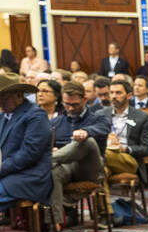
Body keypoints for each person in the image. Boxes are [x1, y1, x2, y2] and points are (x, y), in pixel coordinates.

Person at [51, 81, 108, 223]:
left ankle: (48, 159)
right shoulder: (56, 122)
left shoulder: (97, 117)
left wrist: (86, 131)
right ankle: (56, 224)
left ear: (84, 100)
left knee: (86, 141)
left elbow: (103, 129)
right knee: (53, 171)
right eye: (66, 104)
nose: (70, 108)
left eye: (75, 104)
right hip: (65, 166)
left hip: (89, 168)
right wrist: (51, 148)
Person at [0, 71, 53, 214]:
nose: (0, 102)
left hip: (30, 176)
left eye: (4, 98)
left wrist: (1, 169)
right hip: (9, 172)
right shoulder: (3, 116)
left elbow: (29, 154)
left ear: (18, 95)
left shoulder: (35, 115)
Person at [100, 79, 148, 183]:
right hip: (107, 160)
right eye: (111, 93)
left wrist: (126, 149)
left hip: (128, 159)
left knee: (102, 154)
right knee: (102, 172)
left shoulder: (141, 117)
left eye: (118, 93)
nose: (114, 96)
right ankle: (104, 200)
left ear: (129, 96)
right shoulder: (100, 114)